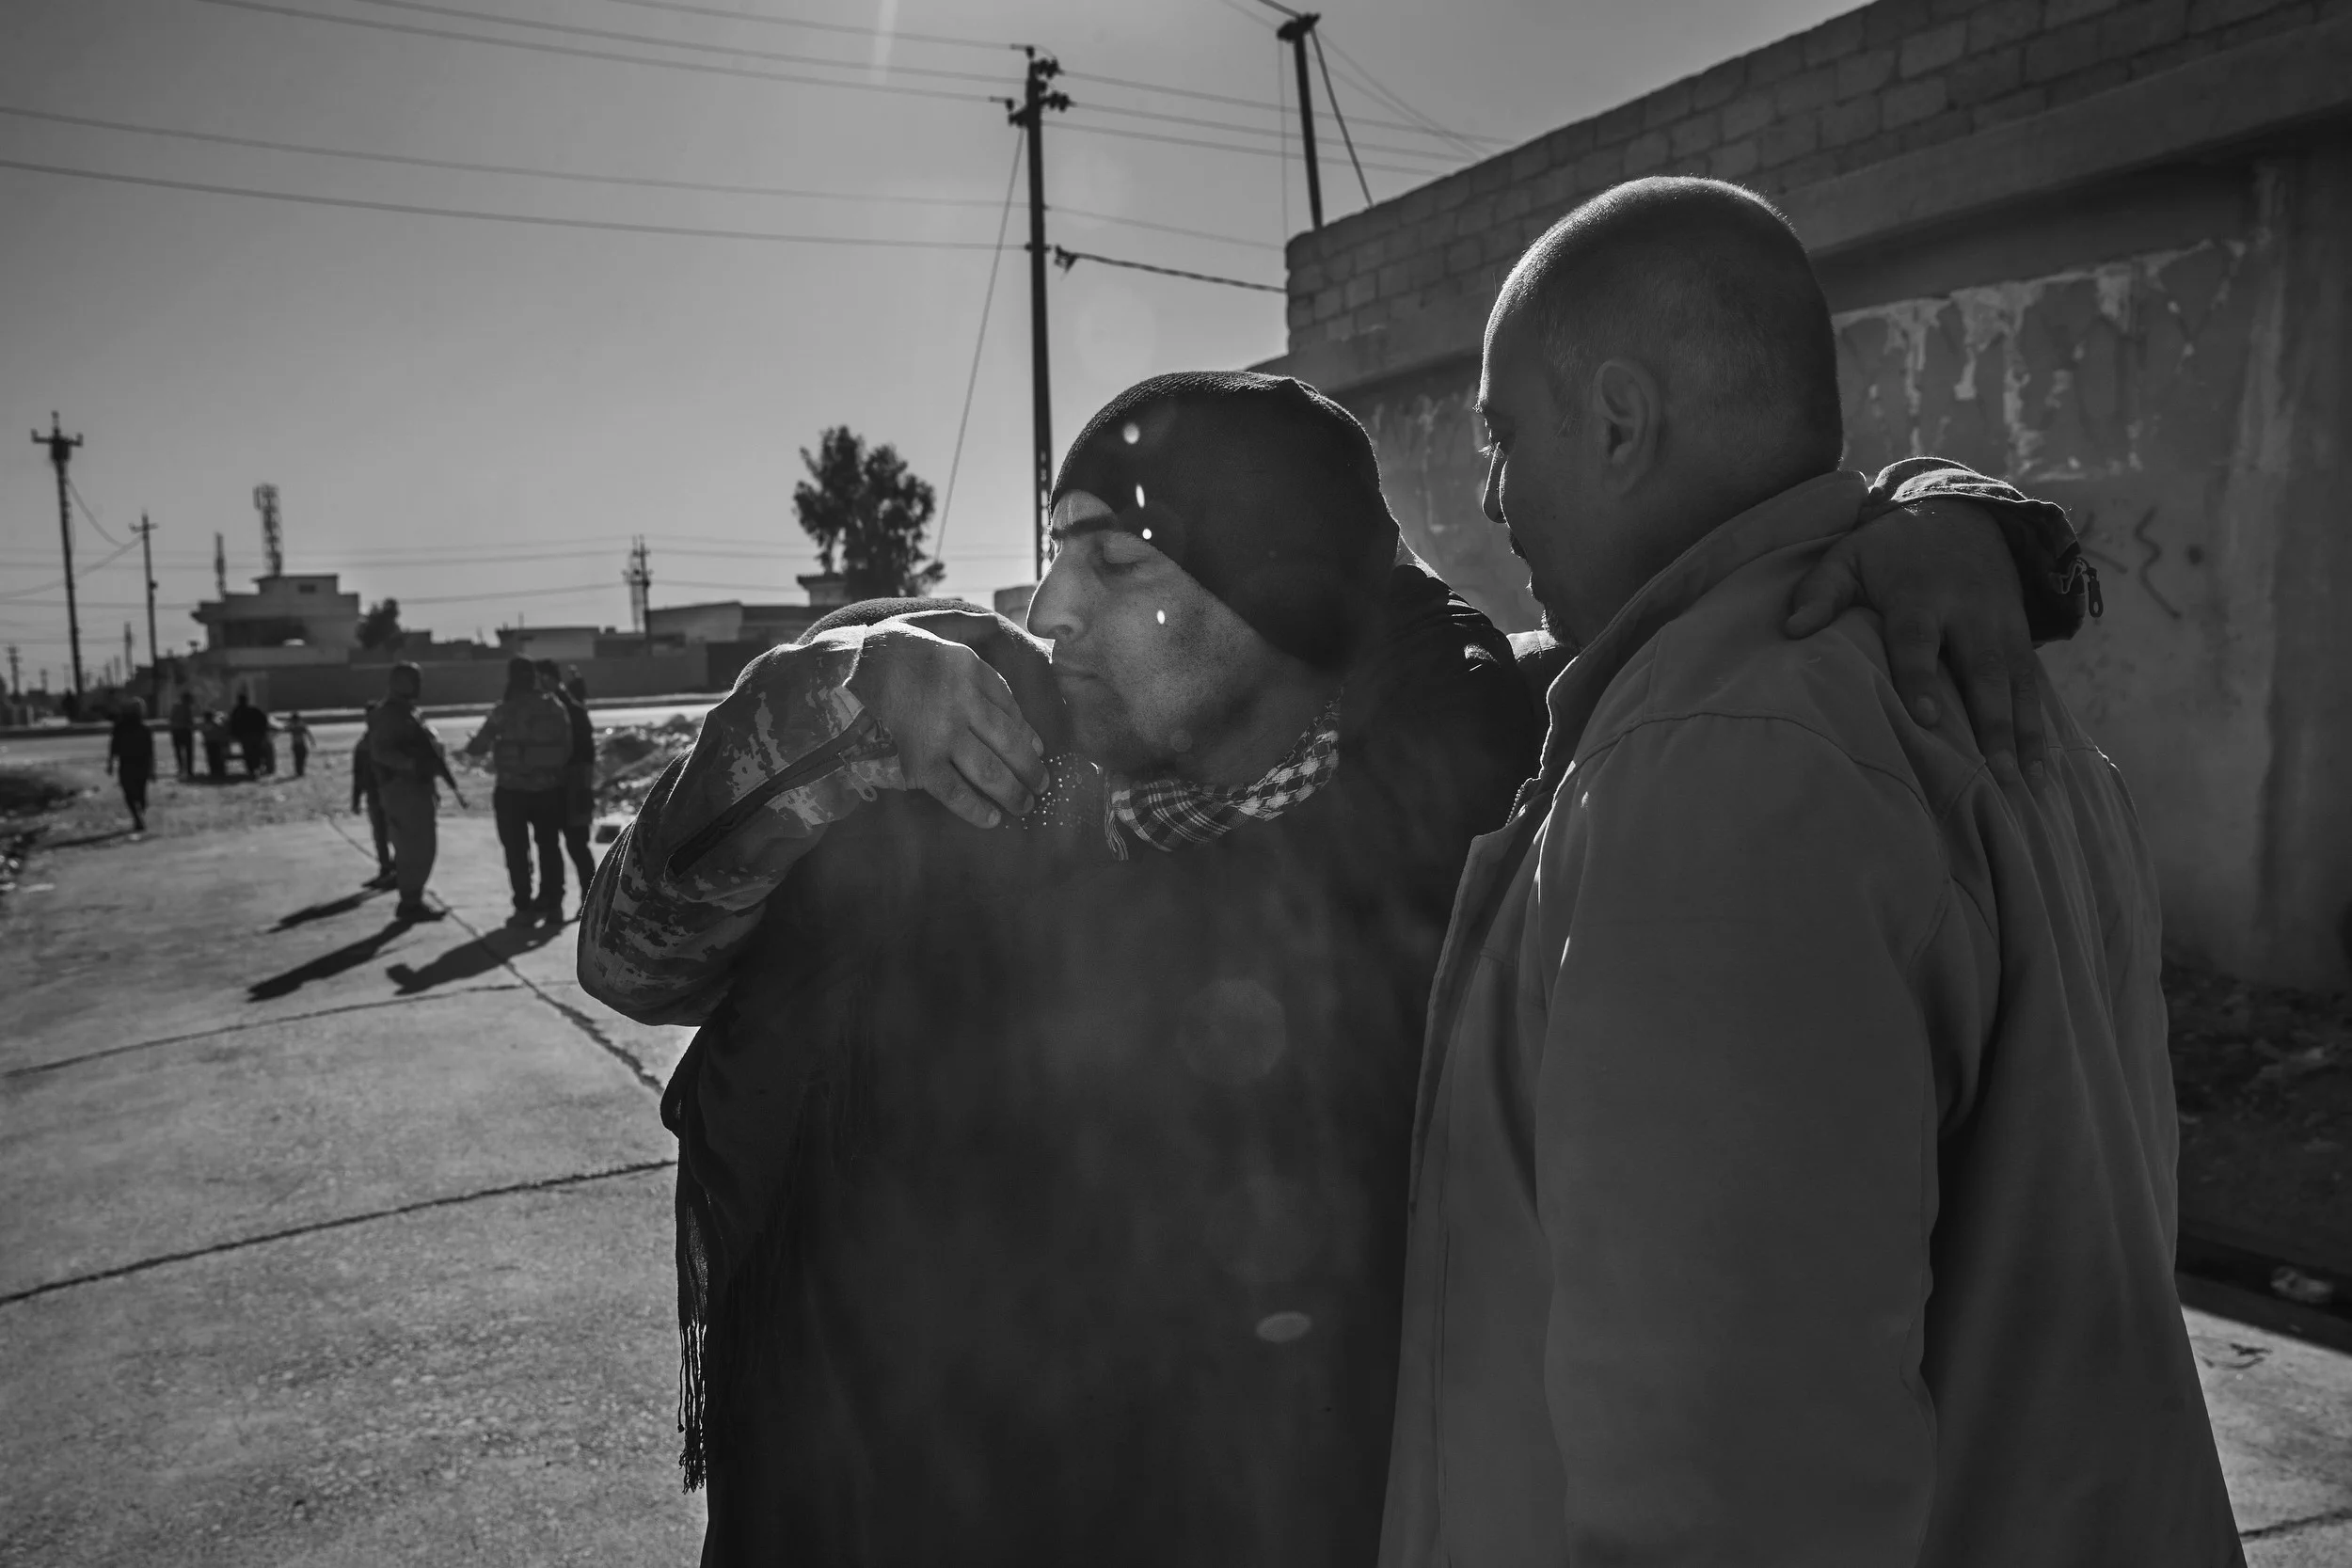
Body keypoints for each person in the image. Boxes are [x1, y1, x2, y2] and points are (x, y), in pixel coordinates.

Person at [580, 371, 2067, 1566]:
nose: (1050, 615)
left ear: (1276, 586)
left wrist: (1951, 516)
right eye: (1051, 558)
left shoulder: (1486, 782)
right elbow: (636, 956)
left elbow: (1708, 610)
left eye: (1112, 561)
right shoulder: (965, 771)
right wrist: (829, 695)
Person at [1378, 178, 2234, 1568]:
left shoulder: (1714, 772)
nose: (1490, 496)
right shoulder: (1989, 706)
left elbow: (1728, 1490)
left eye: (1501, 436)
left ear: (1616, 420)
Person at [465, 657, 577, 923]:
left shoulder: (504, 710)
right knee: (549, 847)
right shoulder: (554, 707)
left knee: (517, 851)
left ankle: (524, 907)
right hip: (548, 789)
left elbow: (478, 747)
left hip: (511, 791)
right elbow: (567, 749)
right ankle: (553, 905)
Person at [367, 662, 456, 923]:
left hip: (416, 788)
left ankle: (412, 897)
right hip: (402, 789)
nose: (419, 686)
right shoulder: (389, 714)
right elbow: (381, 752)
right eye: (413, 680)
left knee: (423, 846)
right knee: (412, 847)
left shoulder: (408, 712)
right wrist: (413, 765)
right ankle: (410, 901)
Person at [534, 657, 598, 905]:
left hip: (571, 787)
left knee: (576, 845)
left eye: (538, 679)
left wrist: (582, 792)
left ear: (549, 679)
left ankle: (591, 899)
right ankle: (552, 896)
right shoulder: (542, 708)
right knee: (549, 845)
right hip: (551, 788)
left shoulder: (571, 709)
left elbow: (586, 758)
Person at [352, 702, 396, 890]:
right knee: (381, 833)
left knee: (392, 832)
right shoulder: (364, 745)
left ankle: (393, 868)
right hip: (376, 794)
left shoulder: (387, 742)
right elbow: (358, 775)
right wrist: (355, 798)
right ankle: (387, 868)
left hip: (391, 794)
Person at [105, 697, 155, 833]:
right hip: (135, 764)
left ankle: (138, 816)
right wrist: (110, 762)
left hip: (132, 764)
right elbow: (114, 746)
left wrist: (110, 763)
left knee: (134, 794)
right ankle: (138, 817)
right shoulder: (129, 728)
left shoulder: (141, 729)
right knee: (134, 793)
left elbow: (150, 750)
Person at [228, 689, 270, 778]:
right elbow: (263, 720)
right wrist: (262, 732)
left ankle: (251, 769)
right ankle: (256, 768)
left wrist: (234, 734)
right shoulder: (254, 710)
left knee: (248, 753)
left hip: (245, 736)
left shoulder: (237, 712)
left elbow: (232, 724)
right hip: (256, 735)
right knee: (256, 752)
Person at [167, 689, 196, 780]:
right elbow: (189, 720)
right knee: (188, 751)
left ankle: (181, 768)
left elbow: (171, 718)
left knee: (178, 751)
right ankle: (189, 770)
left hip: (176, 731)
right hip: (185, 730)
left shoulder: (176, 706)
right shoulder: (187, 707)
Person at [199, 708, 230, 782]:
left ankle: (215, 772)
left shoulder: (205, 724)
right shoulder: (215, 724)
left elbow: (204, 733)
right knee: (216, 758)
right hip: (215, 743)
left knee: (212, 758)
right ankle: (218, 771)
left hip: (211, 743)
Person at [284, 711, 311, 778]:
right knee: (300, 759)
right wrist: (312, 741)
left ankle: (299, 772)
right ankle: (300, 772)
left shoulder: (293, 725)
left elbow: (285, 729)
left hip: (297, 745)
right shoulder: (300, 725)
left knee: (298, 759)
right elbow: (308, 733)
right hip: (300, 745)